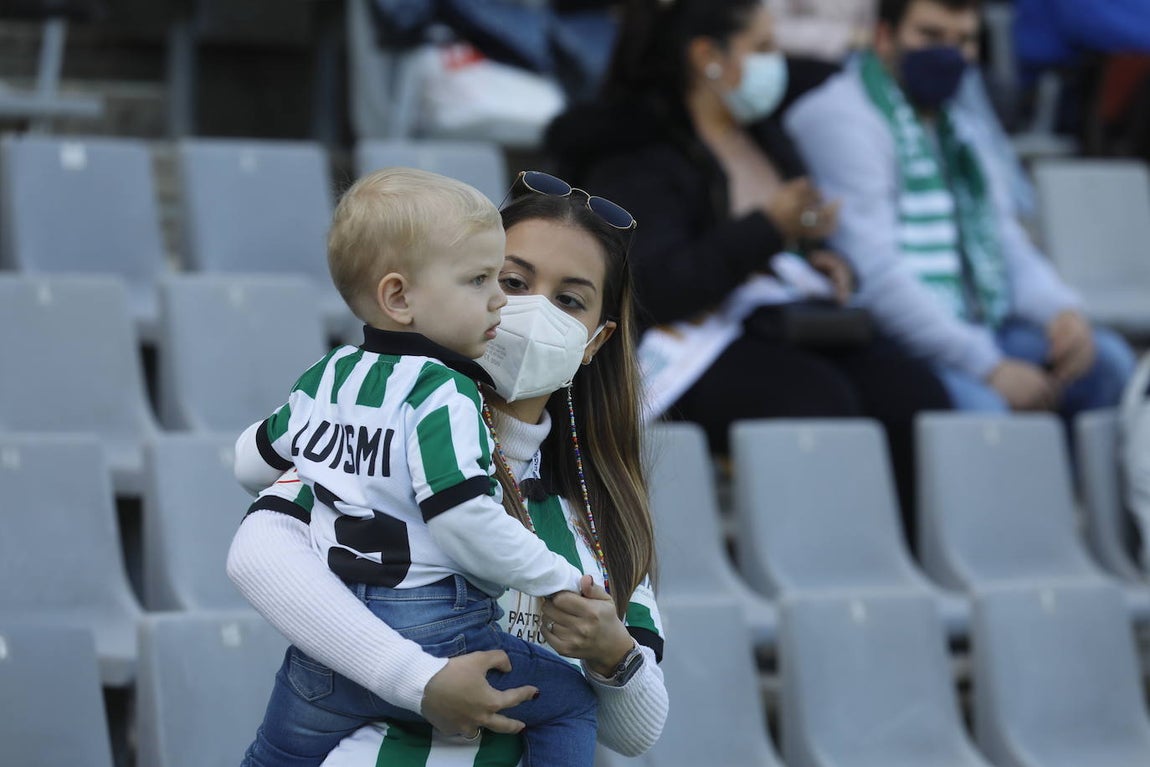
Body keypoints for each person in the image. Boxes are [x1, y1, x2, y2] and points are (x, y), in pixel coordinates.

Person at [227, 172, 668, 766]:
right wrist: (418, 680)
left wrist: (614, 655)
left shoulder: (599, 515)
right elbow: (257, 555)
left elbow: (637, 734)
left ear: (595, 341)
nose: (522, 308)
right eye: (507, 280)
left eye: (568, 300)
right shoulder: (382, 434)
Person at [545, 0, 951, 532]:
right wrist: (768, 227)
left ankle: (915, 552)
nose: (776, 62)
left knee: (914, 391)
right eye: (762, 48)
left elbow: (782, 249)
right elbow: (655, 285)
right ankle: (830, 560)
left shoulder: (763, 132)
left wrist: (822, 260)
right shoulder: (639, 149)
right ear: (707, 57)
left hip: (778, 321)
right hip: (684, 341)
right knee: (818, 401)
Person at [784, 0, 1136, 418]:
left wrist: (1062, 311)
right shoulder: (839, 117)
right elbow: (876, 274)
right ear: (883, 37)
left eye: (964, 40)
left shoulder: (960, 122)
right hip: (892, 338)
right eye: (929, 35)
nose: (949, 53)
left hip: (977, 323)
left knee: (1107, 363)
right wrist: (988, 365)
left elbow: (1006, 242)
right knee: (985, 414)